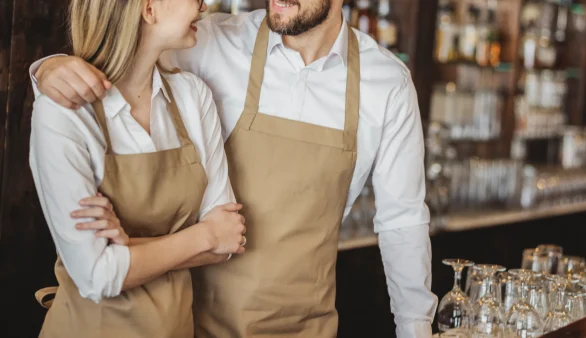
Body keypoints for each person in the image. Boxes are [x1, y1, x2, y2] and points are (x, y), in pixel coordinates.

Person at [31, 0, 439, 336]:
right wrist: (47, 69)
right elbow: (121, 48)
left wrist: (415, 329)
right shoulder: (208, 40)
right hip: (196, 324)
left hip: (304, 327)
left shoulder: (386, 82)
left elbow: (402, 220)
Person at [28, 0, 248, 337]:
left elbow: (229, 239)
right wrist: (205, 234)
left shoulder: (193, 97)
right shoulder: (63, 113)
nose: (203, 5)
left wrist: (127, 248)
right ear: (149, 9)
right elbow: (96, 276)